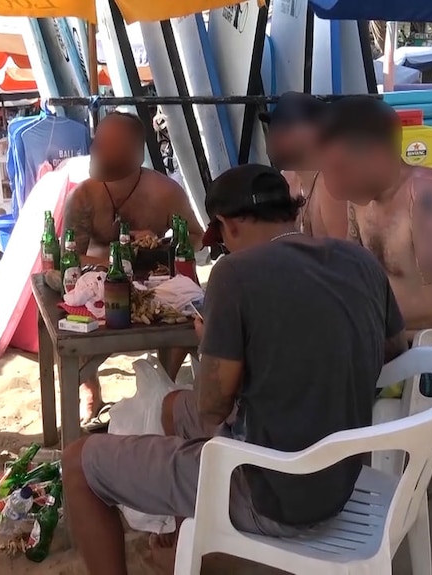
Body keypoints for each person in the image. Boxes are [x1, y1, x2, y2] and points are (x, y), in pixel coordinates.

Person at [61, 164, 408, 574]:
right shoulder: (358, 260)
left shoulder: (235, 274)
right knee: (172, 406)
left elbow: (212, 407)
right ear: (290, 211)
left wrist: (214, 341)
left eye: (221, 236)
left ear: (230, 225)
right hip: (342, 479)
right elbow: (394, 351)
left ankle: (206, 533)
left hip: (272, 494)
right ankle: (188, 540)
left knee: (79, 461)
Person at [321, 96, 432, 394]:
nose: (332, 187)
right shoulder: (363, 200)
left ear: (379, 154)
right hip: (390, 343)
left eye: (340, 169)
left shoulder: (426, 199)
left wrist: (345, 315)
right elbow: (349, 273)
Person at [62, 111, 203, 422]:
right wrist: (118, 257)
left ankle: (162, 381)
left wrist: (161, 245)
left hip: (153, 282)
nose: (97, 150)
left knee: (187, 317)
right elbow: (68, 258)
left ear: (133, 153)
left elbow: (197, 237)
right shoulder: (84, 195)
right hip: (98, 282)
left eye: (107, 146)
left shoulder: (164, 191)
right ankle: (90, 389)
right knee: (76, 321)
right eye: (97, 143)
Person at [261, 91, 348, 239]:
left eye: (286, 128)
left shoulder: (332, 186)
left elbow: (344, 256)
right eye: (273, 127)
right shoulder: (287, 177)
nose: (275, 136)